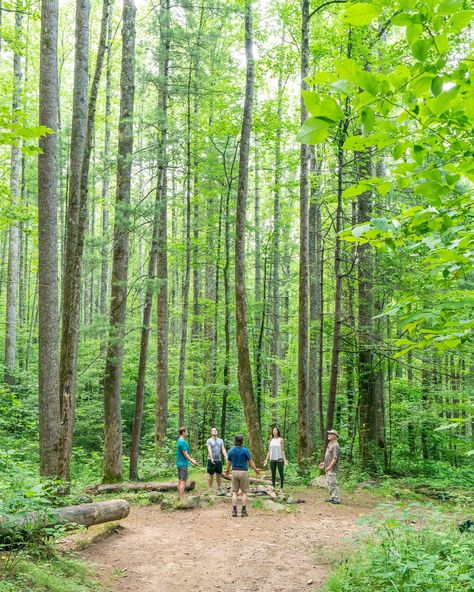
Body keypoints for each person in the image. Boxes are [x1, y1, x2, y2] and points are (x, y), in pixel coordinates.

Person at [224, 434, 260, 517]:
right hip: (244, 472)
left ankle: (234, 510)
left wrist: (227, 471)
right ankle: (243, 511)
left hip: (235, 472)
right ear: (242, 441)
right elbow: (250, 462)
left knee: (234, 492)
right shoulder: (245, 450)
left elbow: (229, 463)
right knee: (244, 492)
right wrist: (255, 470)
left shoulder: (231, 450)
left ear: (235, 441)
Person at [176, 427, 199, 499]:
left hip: (179, 463)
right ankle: (182, 498)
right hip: (183, 464)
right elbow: (185, 454)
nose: (187, 433)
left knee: (180, 480)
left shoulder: (179, 440)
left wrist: (191, 459)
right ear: (183, 432)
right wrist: (193, 462)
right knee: (183, 481)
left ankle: (179, 496)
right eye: (186, 432)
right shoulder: (182, 442)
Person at [319, 429, 341, 504]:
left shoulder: (335, 445)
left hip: (332, 468)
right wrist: (324, 463)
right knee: (329, 483)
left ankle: (337, 498)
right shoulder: (330, 444)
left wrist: (329, 467)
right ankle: (332, 497)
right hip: (328, 467)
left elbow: (335, 458)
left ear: (334, 436)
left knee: (333, 482)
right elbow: (328, 456)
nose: (328, 435)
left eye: (330, 434)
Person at [206, 427, 228, 492]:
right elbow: (209, 449)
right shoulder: (209, 440)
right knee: (211, 474)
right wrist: (211, 457)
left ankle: (219, 487)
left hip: (218, 460)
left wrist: (226, 457)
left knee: (219, 474)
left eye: (215, 430)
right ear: (211, 433)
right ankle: (210, 488)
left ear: (217, 432)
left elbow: (223, 449)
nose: (214, 431)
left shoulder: (221, 440)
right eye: (213, 430)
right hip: (211, 460)